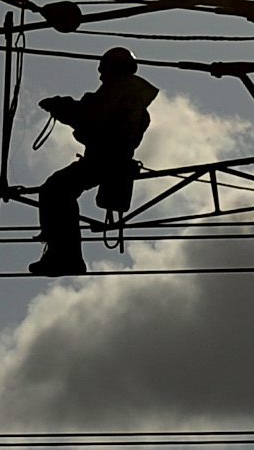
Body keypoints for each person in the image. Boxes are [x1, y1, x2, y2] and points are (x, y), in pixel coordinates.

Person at [28, 46, 157, 277]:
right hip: (112, 160)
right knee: (57, 188)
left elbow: (89, 115)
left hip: (106, 159)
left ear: (113, 69)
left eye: (103, 70)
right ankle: (62, 254)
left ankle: (64, 257)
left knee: (56, 189)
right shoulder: (130, 96)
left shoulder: (120, 90)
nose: (100, 76)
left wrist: (60, 106)